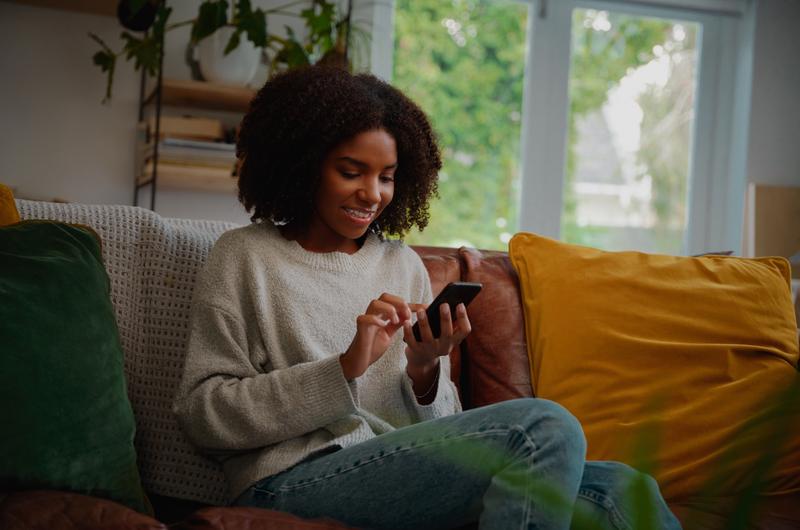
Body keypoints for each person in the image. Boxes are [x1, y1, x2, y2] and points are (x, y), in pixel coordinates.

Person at [173, 64, 681, 530]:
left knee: (626, 490)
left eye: (387, 177)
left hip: (394, 470)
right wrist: (344, 368)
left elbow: (443, 435)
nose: (372, 193)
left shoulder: (401, 265)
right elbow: (203, 415)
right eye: (351, 172)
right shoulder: (245, 257)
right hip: (287, 483)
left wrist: (424, 371)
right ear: (304, 165)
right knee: (544, 426)